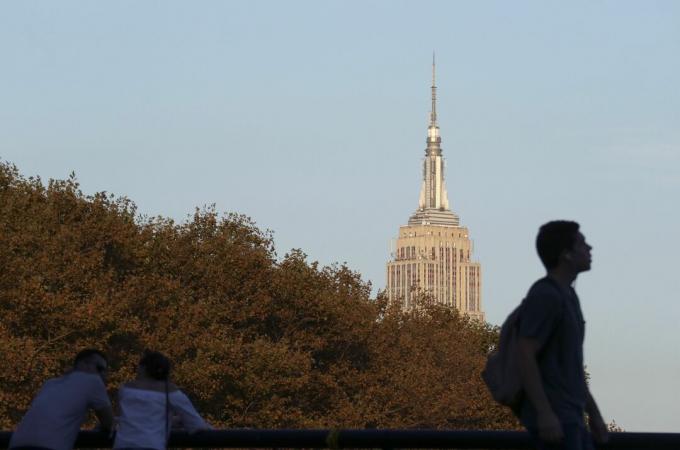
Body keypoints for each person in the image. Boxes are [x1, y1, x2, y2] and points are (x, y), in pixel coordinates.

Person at [517, 221, 608, 450]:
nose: (589, 248)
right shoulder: (545, 295)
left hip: (572, 419)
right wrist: (544, 414)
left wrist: (594, 415)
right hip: (557, 423)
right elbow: (525, 354)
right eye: (581, 243)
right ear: (566, 254)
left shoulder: (568, 296)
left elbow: (573, 368)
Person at [9, 349, 114, 450]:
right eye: (100, 368)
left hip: (16, 444)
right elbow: (109, 423)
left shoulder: (50, 383)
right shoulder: (93, 380)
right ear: (84, 363)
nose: (103, 374)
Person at [113, 350, 211, 450]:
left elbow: (133, 419)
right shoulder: (170, 392)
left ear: (143, 368)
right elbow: (196, 424)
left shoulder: (126, 389)